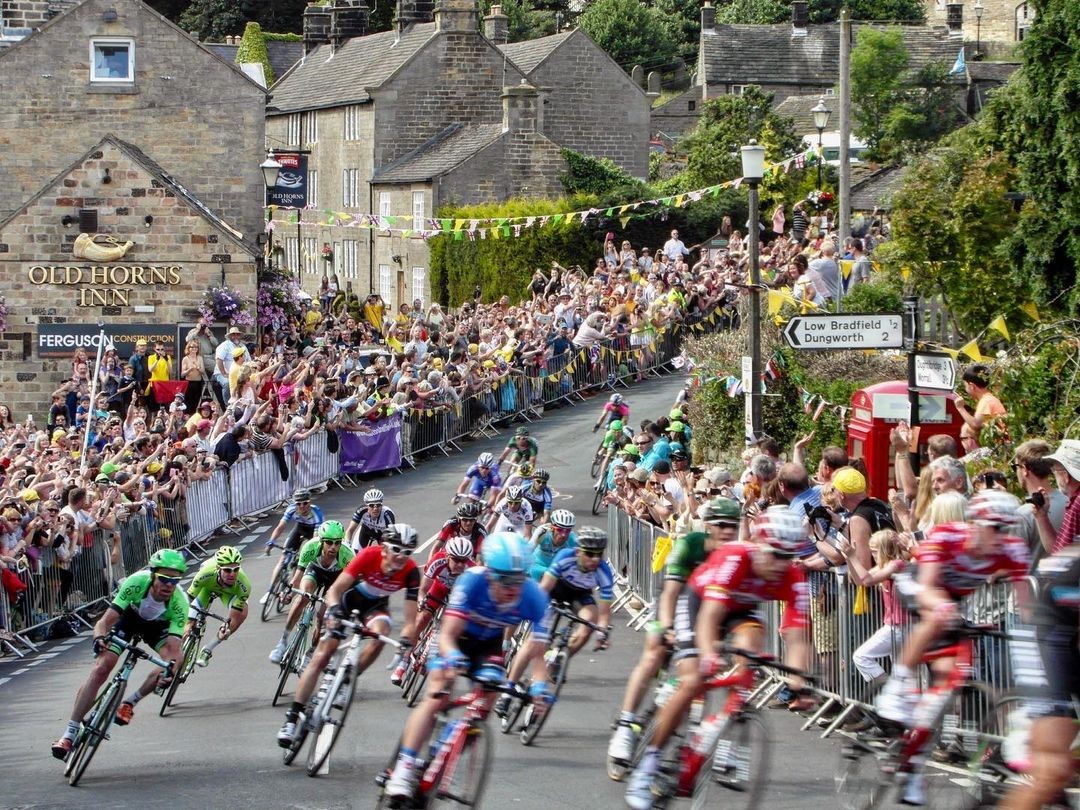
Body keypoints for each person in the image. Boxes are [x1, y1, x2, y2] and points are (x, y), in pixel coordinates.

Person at [625, 508, 810, 809]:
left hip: (742, 612)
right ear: (759, 544)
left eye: (788, 557)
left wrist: (799, 684)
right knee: (694, 676)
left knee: (750, 651)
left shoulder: (793, 576)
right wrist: (709, 655)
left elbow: (797, 637)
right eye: (775, 554)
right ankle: (649, 765)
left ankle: (729, 726)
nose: (781, 564)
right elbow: (710, 616)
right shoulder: (737, 557)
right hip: (701, 603)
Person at [382, 532, 553, 801]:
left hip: (489, 646)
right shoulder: (472, 581)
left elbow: (538, 655)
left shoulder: (534, 597)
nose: (513, 588)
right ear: (489, 573)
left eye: (519, 579)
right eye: (505, 579)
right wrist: (451, 659)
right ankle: (404, 767)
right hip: (457, 639)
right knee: (438, 691)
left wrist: (541, 688)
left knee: (483, 704)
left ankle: (448, 741)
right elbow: (448, 635)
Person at [607, 497, 741, 770]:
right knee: (654, 650)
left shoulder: (736, 554)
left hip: (710, 612)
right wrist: (667, 627)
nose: (728, 532)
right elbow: (670, 593)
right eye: (722, 525)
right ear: (708, 526)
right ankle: (624, 724)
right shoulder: (690, 544)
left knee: (709, 670)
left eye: (734, 526)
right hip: (677, 601)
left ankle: (706, 740)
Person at [874, 489, 1029, 724]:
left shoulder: (1012, 549)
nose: (1002, 537)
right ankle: (896, 686)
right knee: (938, 613)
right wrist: (945, 607)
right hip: (920, 584)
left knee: (947, 679)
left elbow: (1027, 607)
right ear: (976, 524)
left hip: (952, 598)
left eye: (1007, 529)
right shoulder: (948, 535)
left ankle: (919, 736)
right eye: (995, 528)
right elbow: (927, 588)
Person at [277, 523, 420, 747]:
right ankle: (292, 718)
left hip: (376, 608)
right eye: (396, 549)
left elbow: (411, 622)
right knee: (323, 654)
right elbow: (336, 589)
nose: (402, 556)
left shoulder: (411, 572)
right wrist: (333, 609)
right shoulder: (368, 555)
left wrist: (405, 643)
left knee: (381, 634)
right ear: (384, 548)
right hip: (348, 602)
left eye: (408, 552)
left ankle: (347, 680)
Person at [51, 548, 188, 757]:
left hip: (158, 627)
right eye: (164, 579)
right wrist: (98, 638)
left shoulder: (180, 603)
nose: (169, 585)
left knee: (174, 662)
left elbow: (173, 648)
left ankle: (129, 702)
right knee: (101, 668)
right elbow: (104, 622)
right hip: (129, 619)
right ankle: (69, 733)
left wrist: (170, 670)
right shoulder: (135, 583)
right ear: (153, 575)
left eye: (175, 580)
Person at [496, 526, 613, 716]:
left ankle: (560, 657)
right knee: (534, 642)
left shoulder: (603, 571)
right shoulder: (565, 557)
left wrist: (603, 632)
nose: (595, 559)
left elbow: (605, 612)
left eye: (599, 554)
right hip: (554, 592)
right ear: (578, 551)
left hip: (580, 596)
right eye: (590, 554)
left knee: (591, 621)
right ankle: (507, 692)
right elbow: (544, 588)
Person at [391, 535, 475, 685]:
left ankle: (432, 659)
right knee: (422, 618)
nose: (460, 564)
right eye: (456, 559)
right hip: (438, 589)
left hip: (457, 596)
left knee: (451, 631)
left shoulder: (471, 569)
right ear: (448, 556)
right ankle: (402, 663)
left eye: (464, 560)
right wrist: (421, 602)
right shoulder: (438, 561)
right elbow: (423, 589)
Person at [268, 520, 354, 664]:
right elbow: (297, 578)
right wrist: (289, 593)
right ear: (321, 541)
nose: (333, 547)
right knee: (303, 598)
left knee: (323, 617)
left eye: (337, 542)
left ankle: (310, 653)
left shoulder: (347, 556)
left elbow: (344, 586)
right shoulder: (310, 547)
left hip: (335, 579)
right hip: (315, 571)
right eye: (329, 542)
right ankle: (282, 642)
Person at [184, 545, 251, 667]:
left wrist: (226, 629)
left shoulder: (244, 585)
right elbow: (189, 598)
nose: (232, 574)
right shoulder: (205, 573)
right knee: (187, 624)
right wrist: (189, 621)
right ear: (218, 568)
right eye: (227, 570)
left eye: (236, 569)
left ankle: (208, 650)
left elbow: (233, 617)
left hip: (229, 594)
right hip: (206, 588)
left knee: (242, 614)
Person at [264, 489, 325, 589]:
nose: (301, 506)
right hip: (299, 529)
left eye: (305, 503)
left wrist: (309, 553)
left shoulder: (317, 513)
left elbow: (315, 539)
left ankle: (294, 585)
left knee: (305, 558)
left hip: (313, 531)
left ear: (309, 502)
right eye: (298, 504)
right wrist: (271, 541)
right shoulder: (291, 509)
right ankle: (270, 591)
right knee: (283, 559)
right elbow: (280, 527)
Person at [1033, 439, 1080, 554]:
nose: (1053, 475)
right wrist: (1041, 516)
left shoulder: (1078, 503)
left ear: (1065, 476)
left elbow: (1061, 558)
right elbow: (1060, 550)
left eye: (1054, 470)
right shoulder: (1075, 501)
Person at [954, 364, 1007, 454]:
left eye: (965, 385)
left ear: (972, 386)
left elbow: (975, 424)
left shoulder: (987, 401)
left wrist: (960, 408)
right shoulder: (988, 399)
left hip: (1000, 448)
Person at [527, 509, 578, 581]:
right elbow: (528, 550)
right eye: (560, 530)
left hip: (557, 569)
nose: (563, 534)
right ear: (552, 527)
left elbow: (580, 559)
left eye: (567, 530)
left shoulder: (572, 538)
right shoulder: (542, 532)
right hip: (538, 565)